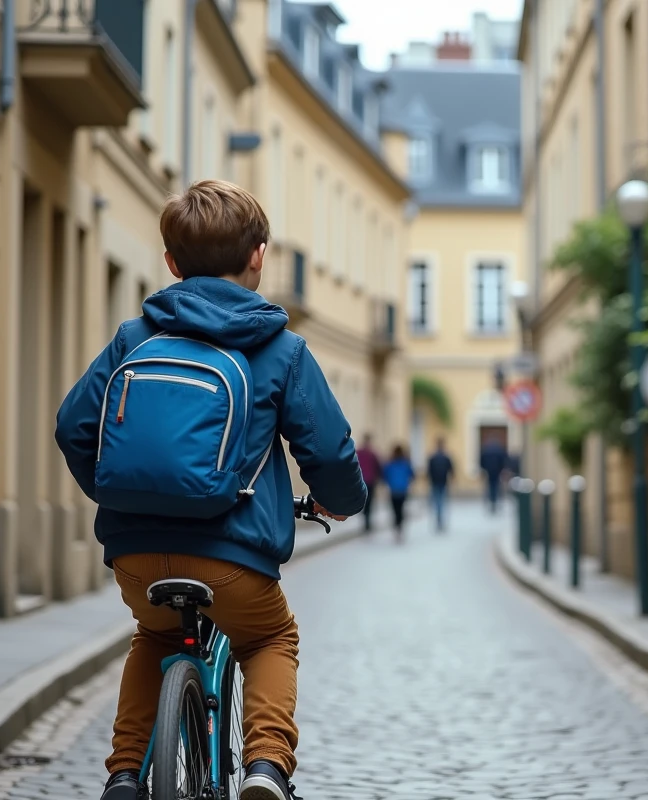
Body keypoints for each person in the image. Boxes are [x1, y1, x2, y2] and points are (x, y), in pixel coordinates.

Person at [54, 179, 366, 800]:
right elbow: (328, 453)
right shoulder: (282, 348)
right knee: (272, 637)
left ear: (170, 262)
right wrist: (341, 500)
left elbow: (72, 427)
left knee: (158, 635)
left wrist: (117, 493)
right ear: (259, 255)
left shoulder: (134, 338)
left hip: (137, 554)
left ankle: (122, 776)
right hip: (234, 560)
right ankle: (266, 768)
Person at [381, 445, 415, 541]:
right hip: (403, 490)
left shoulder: (390, 463)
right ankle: (400, 526)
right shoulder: (406, 463)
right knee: (401, 509)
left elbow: (384, 475)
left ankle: (397, 526)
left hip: (393, 490)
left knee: (395, 510)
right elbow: (412, 474)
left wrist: (387, 483)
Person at [426, 437, 455, 532]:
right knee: (442, 501)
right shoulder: (446, 457)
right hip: (443, 481)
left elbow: (428, 471)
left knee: (437, 501)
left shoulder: (432, 457)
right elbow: (451, 469)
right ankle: (440, 519)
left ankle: (439, 519)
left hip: (434, 482)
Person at [356, 434, 382, 532]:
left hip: (360, 481)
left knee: (364, 501)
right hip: (370, 481)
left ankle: (366, 519)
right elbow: (378, 467)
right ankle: (367, 520)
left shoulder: (358, 453)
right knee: (369, 501)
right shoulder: (372, 453)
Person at [479, 432, 509, 514]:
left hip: (489, 471)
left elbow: (481, 460)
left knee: (490, 486)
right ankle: (495, 502)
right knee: (496, 486)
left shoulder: (486, 449)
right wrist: (503, 469)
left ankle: (491, 501)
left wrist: (483, 469)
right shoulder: (500, 449)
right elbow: (504, 460)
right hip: (497, 471)